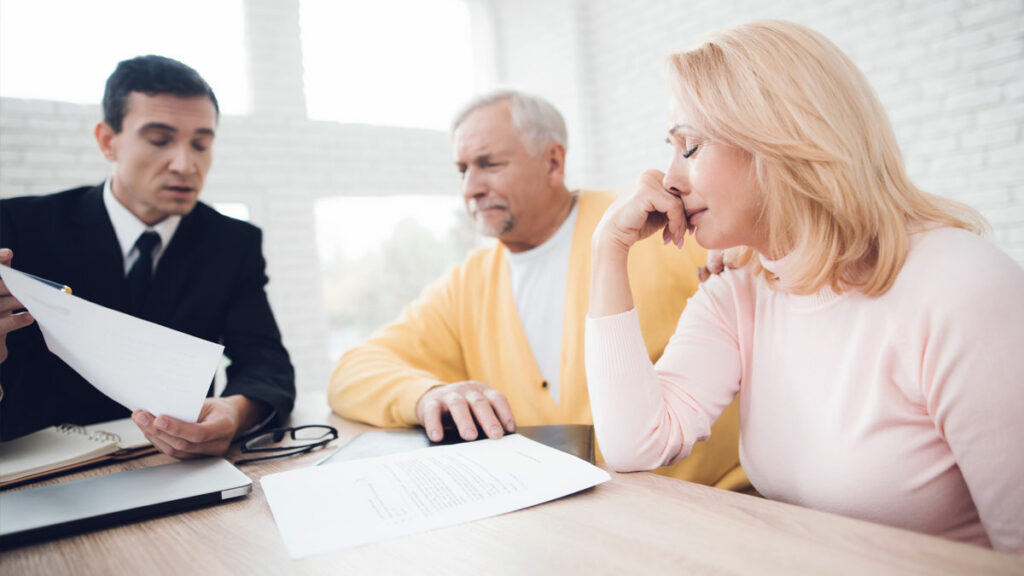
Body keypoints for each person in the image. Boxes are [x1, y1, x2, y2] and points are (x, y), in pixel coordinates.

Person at [585, 20, 1024, 552]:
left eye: (691, 147)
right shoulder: (741, 289)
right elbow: (637, 444)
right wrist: (607, 251)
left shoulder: (964, 288)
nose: (669, 180)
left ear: (776, 140)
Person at [328, 90, 747, 489]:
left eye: (489, 164)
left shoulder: (656, 222)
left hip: (713, 514)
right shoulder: (465, 286)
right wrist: (425, 395)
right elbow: (352, 372)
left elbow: (765, 252)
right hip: (571, 533)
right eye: (462, 169)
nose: (470, 187)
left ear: (552, 162)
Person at [0, 55, 295, 458]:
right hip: (32, 472)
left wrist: (234, 411)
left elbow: (266, 362)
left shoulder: (232, 243)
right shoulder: (18, 227)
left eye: (201, 144)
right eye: (159, 140)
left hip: (173, 465)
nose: (185, 164)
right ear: (107, 141)